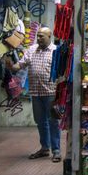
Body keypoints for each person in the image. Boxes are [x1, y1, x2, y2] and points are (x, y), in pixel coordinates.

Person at [8, 27, 61, 162]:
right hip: (36, 93)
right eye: (38, 36)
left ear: (50, 37)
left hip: (50, 93)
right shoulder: (31, 50)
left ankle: (56, 150)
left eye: (42, 36)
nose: (39, 38)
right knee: (40, 121)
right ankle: (44, 148)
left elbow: (61, 73)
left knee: (53, 121)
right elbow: (19, 65)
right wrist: (9, 65)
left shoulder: (56, 52)